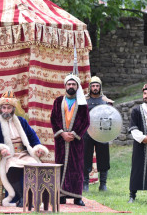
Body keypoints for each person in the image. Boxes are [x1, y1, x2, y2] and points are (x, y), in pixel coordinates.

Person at [0, 91, 49, 207]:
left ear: (13, 109)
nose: (6, 111)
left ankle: (31, 196)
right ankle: (22, 197)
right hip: (8, 156)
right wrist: (1, 149)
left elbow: (33, 138)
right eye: (4, 108)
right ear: (0, 109)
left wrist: (38, 149)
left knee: (32, 165)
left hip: (23, 154)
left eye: (8, 108)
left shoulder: (22, 122)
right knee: (13, 168)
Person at [50, 72, 90, 206]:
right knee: (60, 167)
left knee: (76, 168)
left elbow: (86, 121)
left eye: (74, 84)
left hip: (76, 141)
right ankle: (61, 195)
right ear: (65, 86)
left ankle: (77, 197)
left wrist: (74, 134)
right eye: (69, 84)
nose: (71, 86)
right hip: (61, 141)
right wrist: (62, 133)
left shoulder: (82, 103)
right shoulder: (58, 101)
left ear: (77, 86)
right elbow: (54, 119)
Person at [83, 76, 114, 192]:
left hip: (102, 134)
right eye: (93, 86)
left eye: (97, 86)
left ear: (100, 87)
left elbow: (112, 118)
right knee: (86, 158)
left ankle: (103, 184)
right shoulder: (84, 101)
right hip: (87, 133)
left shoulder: (106, 101)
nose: (95, 88)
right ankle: (85, 183)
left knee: (103, 158)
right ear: (90, 87)